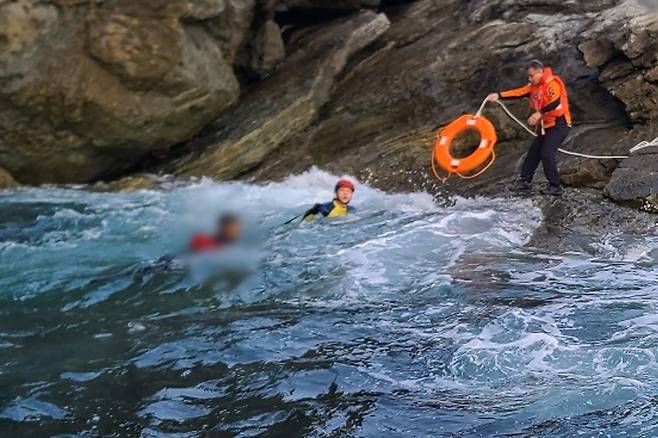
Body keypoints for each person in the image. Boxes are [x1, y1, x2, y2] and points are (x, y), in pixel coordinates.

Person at [486, 59, 572, 196]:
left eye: (531, 75)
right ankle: (525, 181)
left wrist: (539, 113)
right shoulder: (534, 86)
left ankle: (555, 186)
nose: (529, 78)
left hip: (559, 124)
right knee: (533, 153)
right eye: (529, 76)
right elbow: (519, 92)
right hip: (546, 126)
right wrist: (499, 95)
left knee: (547, 153)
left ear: (540, 72)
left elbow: (555, 102)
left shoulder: (552, 84)